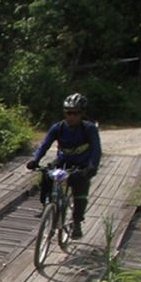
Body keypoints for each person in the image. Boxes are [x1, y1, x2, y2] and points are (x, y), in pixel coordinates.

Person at [26, 93, 102, 239]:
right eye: (68, 112)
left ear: (82, 114)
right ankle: (47, 206)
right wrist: (35, 160)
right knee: (47, 175)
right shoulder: (58, 128)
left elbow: (96, 150)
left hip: (82, 164)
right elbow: (44, 145)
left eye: (75, 113)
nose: (71, 116)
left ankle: (77, 223)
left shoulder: (89, 129)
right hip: (63, 161)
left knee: (80, 191)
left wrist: (92, 167)